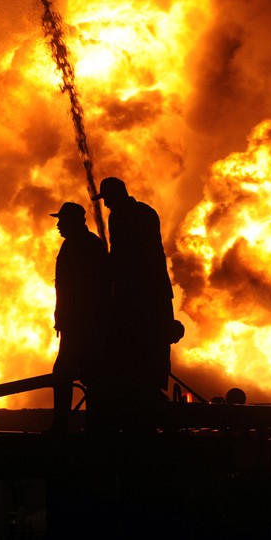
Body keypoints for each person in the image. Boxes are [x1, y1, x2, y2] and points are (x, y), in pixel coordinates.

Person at [92, 177, 179, 430]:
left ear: (115, 195)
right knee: (152, 353)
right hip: (155, 293)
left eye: (107, 199)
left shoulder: (121, 216)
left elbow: (123, 254)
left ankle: (145, 415)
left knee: (134, 353)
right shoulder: (146, 212)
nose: (106, 204)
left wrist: (106, 272)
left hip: (137, 295)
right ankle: (147, 408)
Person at [48, 202, 110, 433]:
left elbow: (89, 289)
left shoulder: (84, 246)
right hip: (75, 323)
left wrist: (74, 318)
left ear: (74, 221)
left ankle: (68, 426)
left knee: (70, 373)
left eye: (62, 220)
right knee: (87, 374)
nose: (58, 225)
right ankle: (93, 425)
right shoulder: (78, 244)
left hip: (83, 324)